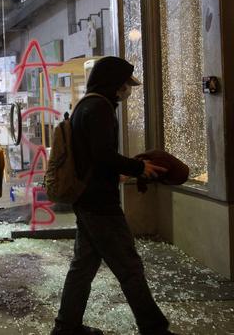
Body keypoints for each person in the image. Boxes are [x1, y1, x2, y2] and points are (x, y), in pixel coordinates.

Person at [51, 57, 174, 335]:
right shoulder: (100, 108)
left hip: (87, 198)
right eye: (123, 84)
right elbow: (103, 155)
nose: (126, 90)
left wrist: (121, 172)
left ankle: (66, 326)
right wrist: (139, 167)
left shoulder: (86, 105)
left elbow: (91, 158)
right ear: (112, 82)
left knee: (83, 267)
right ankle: (154, 328)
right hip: (100, 203)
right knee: (129, 267)